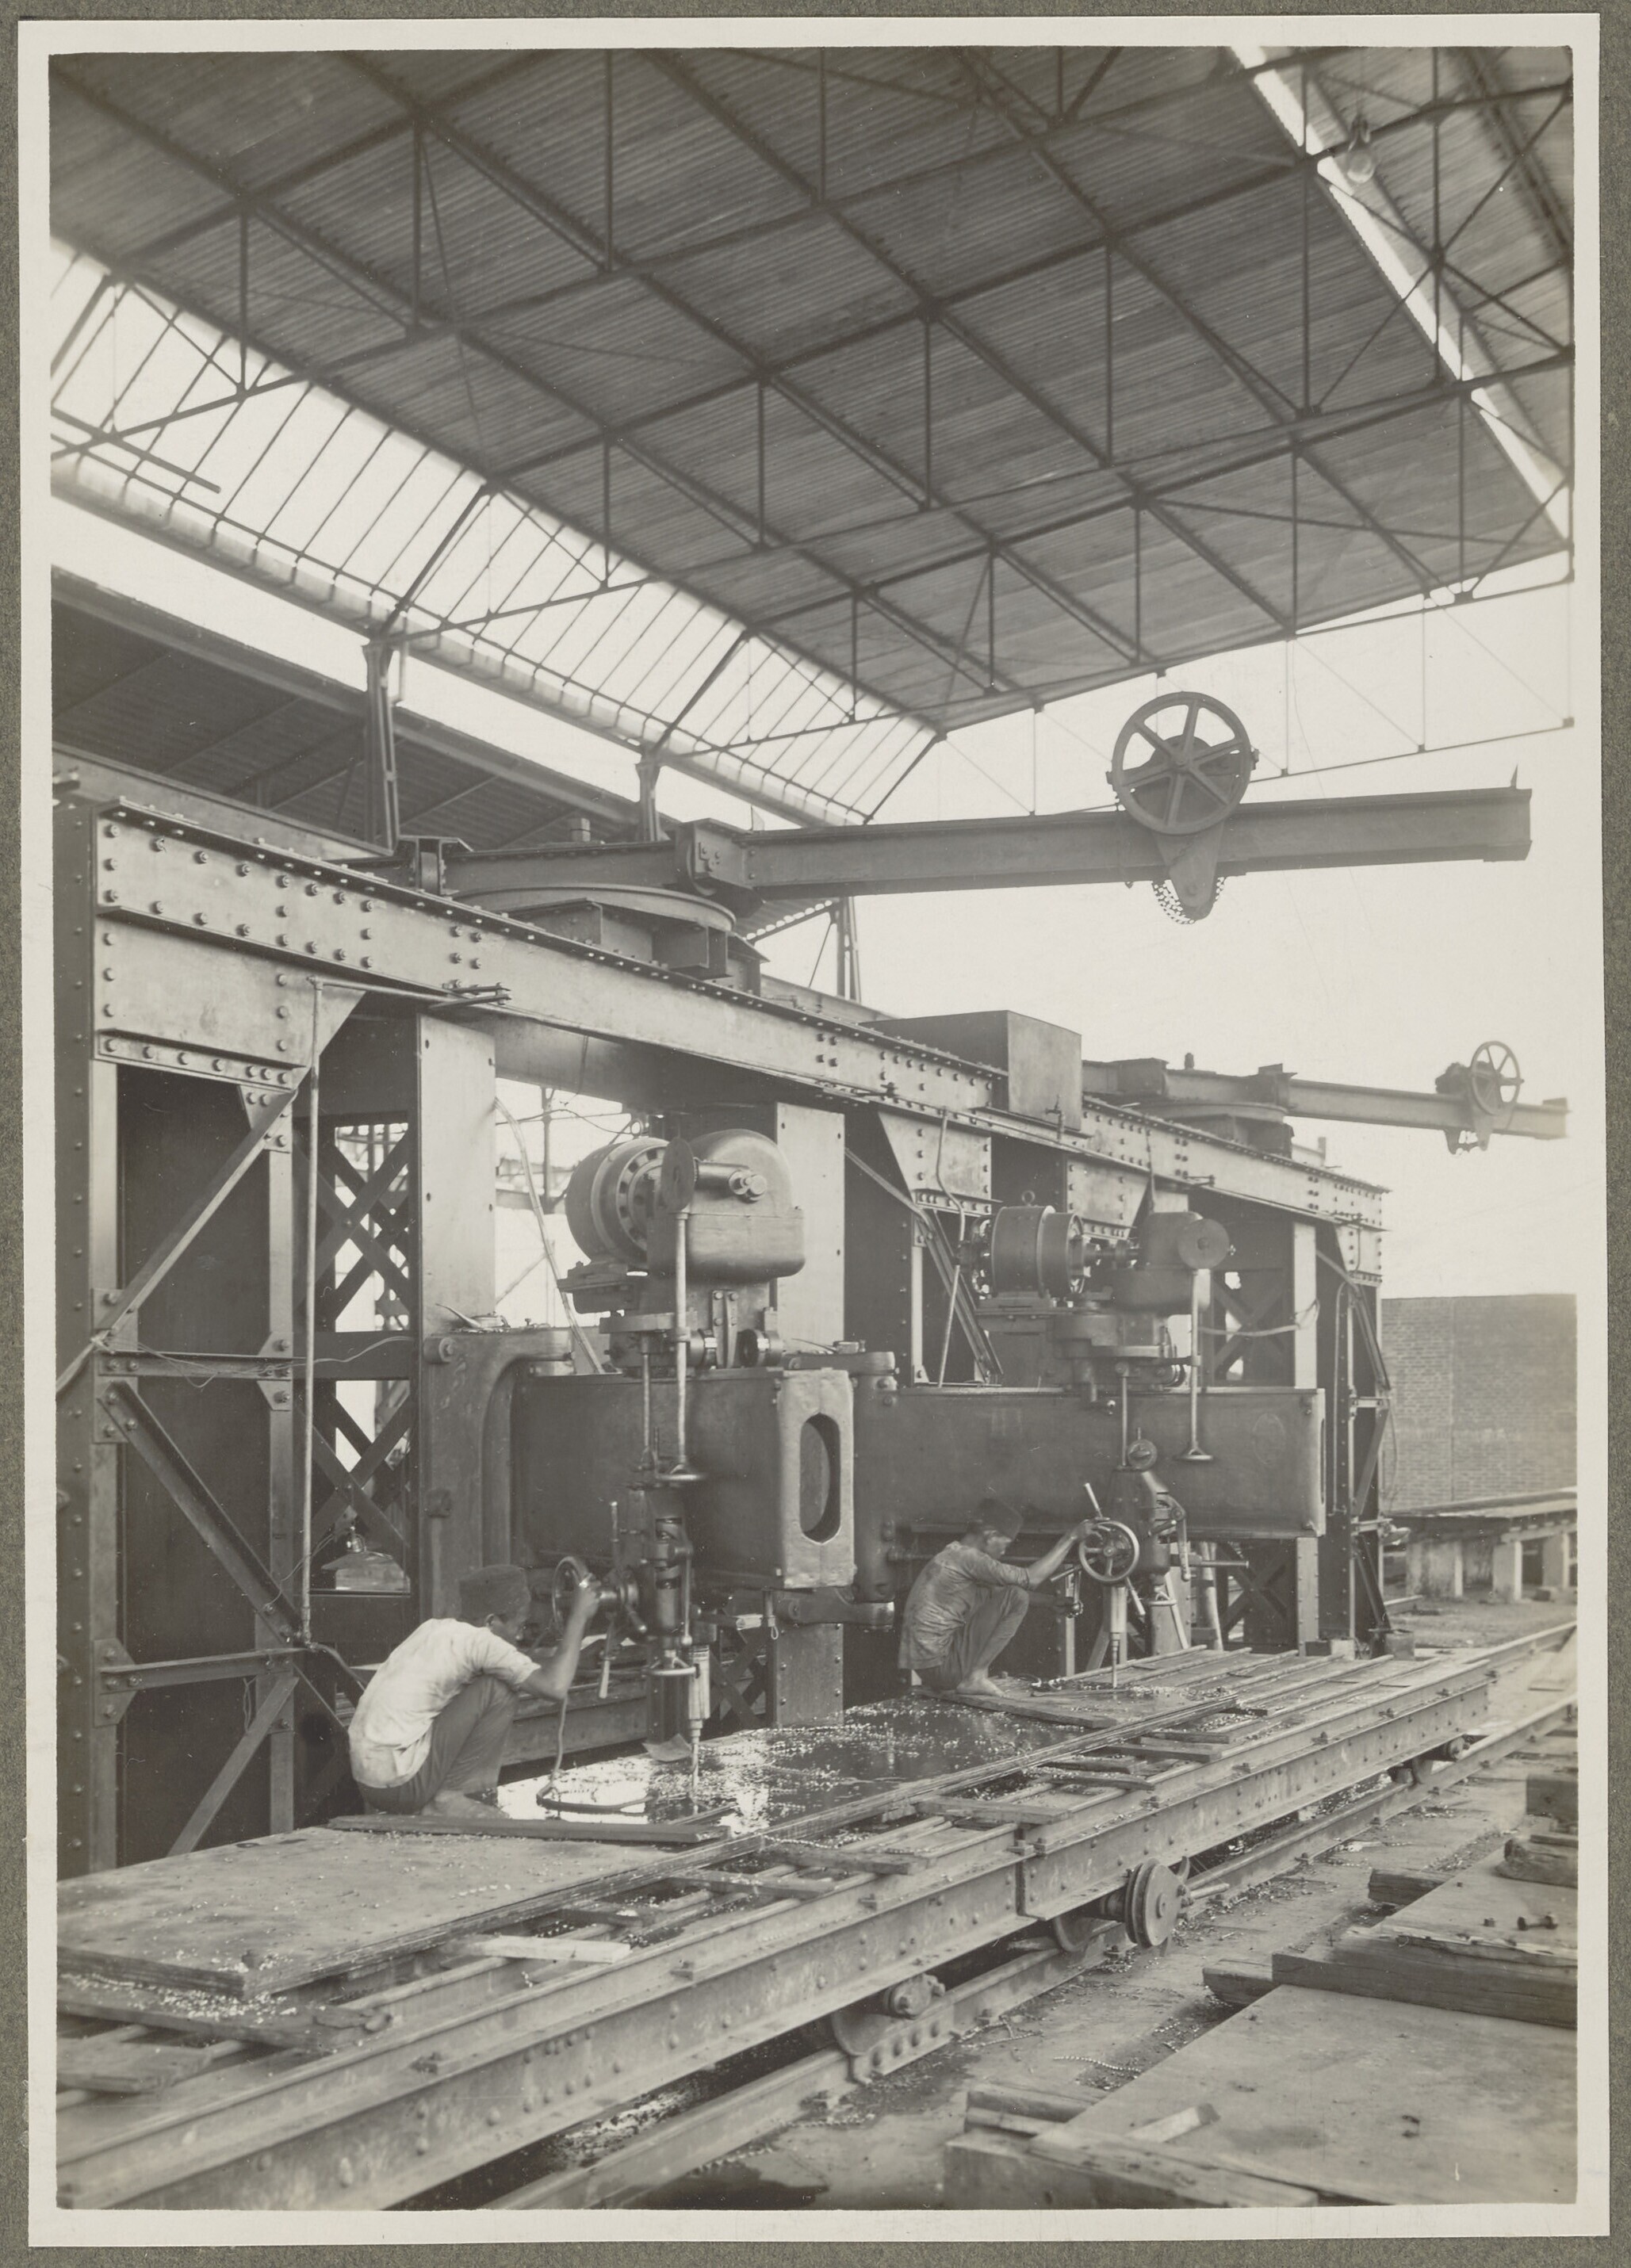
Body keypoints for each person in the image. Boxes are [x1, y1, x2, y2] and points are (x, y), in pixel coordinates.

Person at [348, 1562, 601, 1819]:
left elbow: (515, 1665)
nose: (519, 1636)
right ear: (491, 1621)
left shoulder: (435, 1629)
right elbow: (555, 1687)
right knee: (499, 1689)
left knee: (494, 1679)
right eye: (518, 1626)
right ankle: (450, 1798)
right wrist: (578, 1617)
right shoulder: (482, 1643)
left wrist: (575, 1660)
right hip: (402, 1784)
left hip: (369, 1781)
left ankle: (445, 1798)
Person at [900, 1497, 1090, 1699]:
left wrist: (1051, 1602)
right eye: (1005, 1544)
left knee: (1000, 1592)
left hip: (928, 1668)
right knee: (1017, 1597)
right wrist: (1070, 1538)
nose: (1004, 1551)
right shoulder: (970, 1558)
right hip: (943, 1668)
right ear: (990, 1535)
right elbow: (1031, 1579)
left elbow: (998, 1592)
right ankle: (975, 1677)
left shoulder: (952, 1554)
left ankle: (971, 1676)